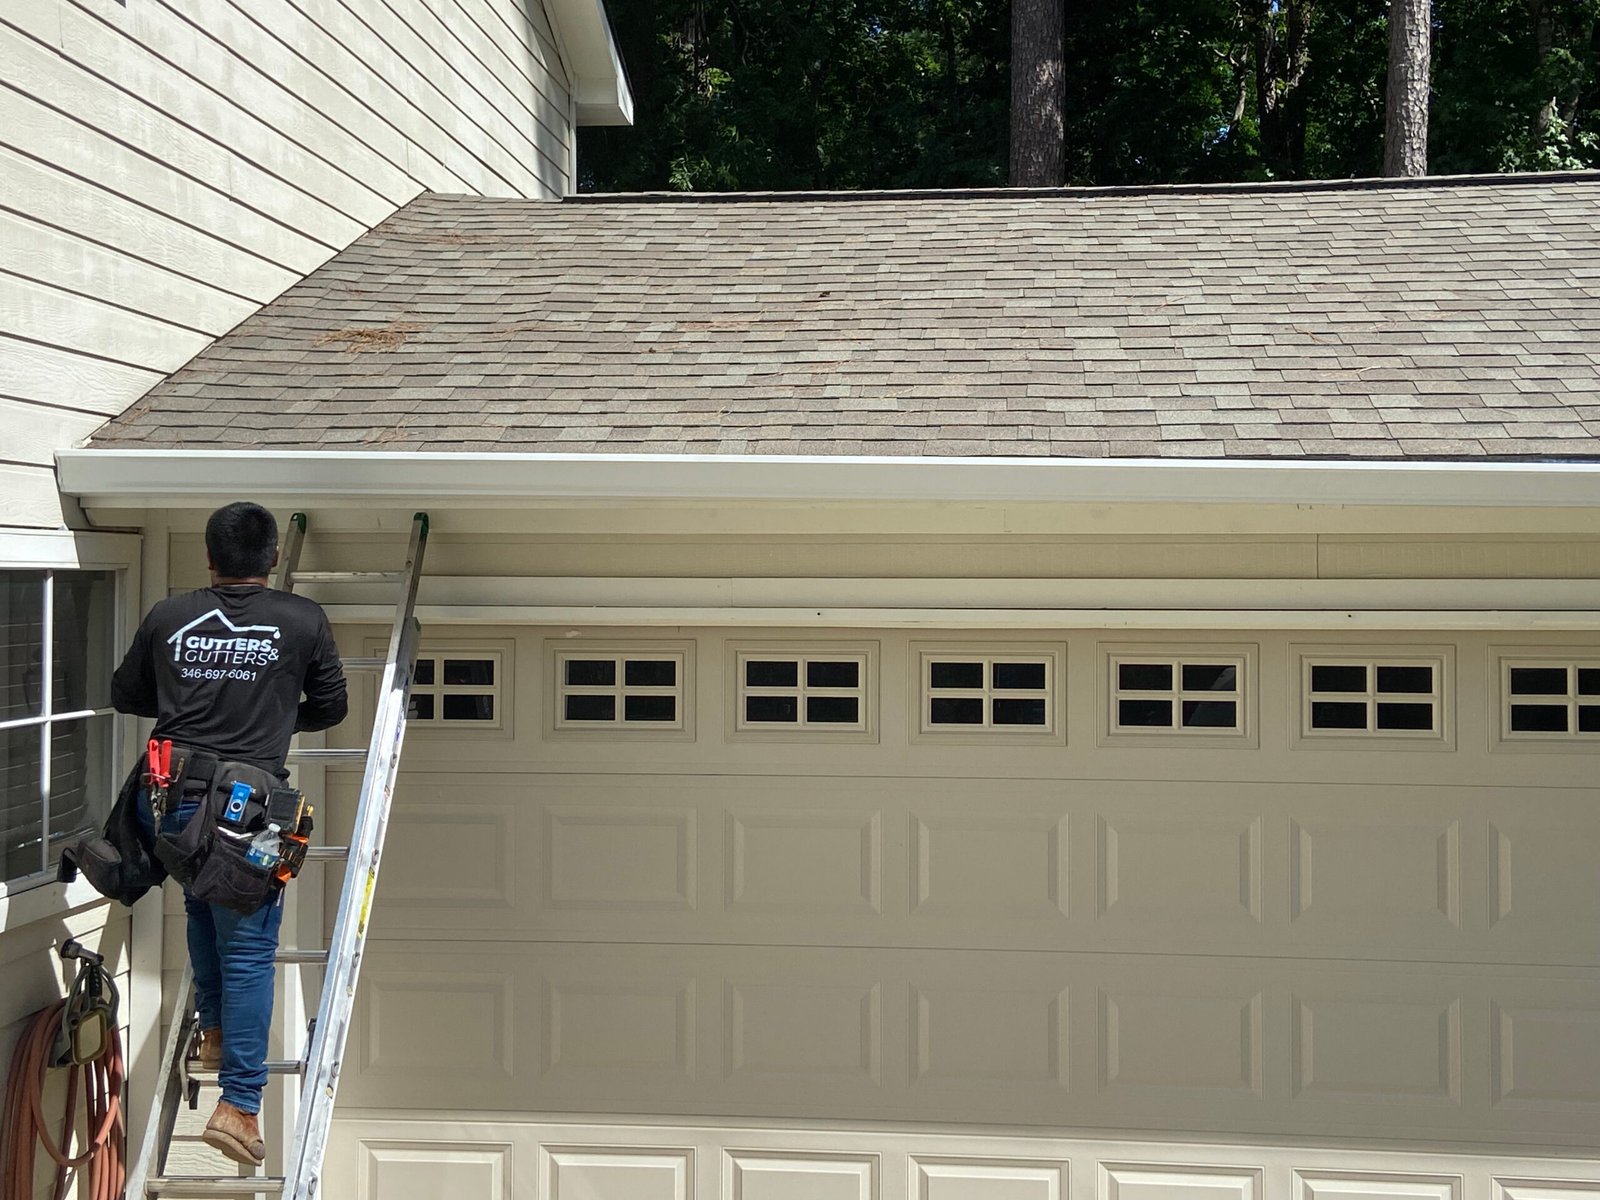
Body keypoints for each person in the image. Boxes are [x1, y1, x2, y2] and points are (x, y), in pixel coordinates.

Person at [111, 501, 347, 1167]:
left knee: (197, 904)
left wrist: (200, 701)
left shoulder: (169, 616)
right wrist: (266, 716)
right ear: (272, 559)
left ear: (209, 559)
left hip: (172, 800)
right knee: (246, 950)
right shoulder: (301, 620)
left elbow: (126, 693)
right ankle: (240, 1106)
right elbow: (331, 706)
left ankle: (215, 1033)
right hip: (249, 810)